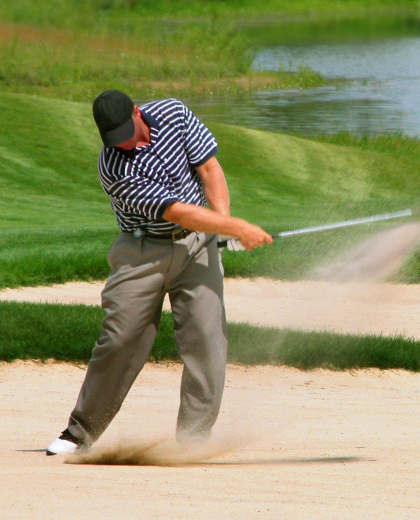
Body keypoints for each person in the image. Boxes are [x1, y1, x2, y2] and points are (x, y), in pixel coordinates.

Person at [46, 90, 272, 455]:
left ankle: (193, 439)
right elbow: (178, 211)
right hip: (141, 252)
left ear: (137, 112)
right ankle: (81, 432)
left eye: (126, 132)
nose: (123, 142)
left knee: (207, 337)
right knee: (120, 338)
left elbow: (210, 168)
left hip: (197, 244)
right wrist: (237, 229)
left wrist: (222, 225)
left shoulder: (174, 113)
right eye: (113, 139)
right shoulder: (114, 167)